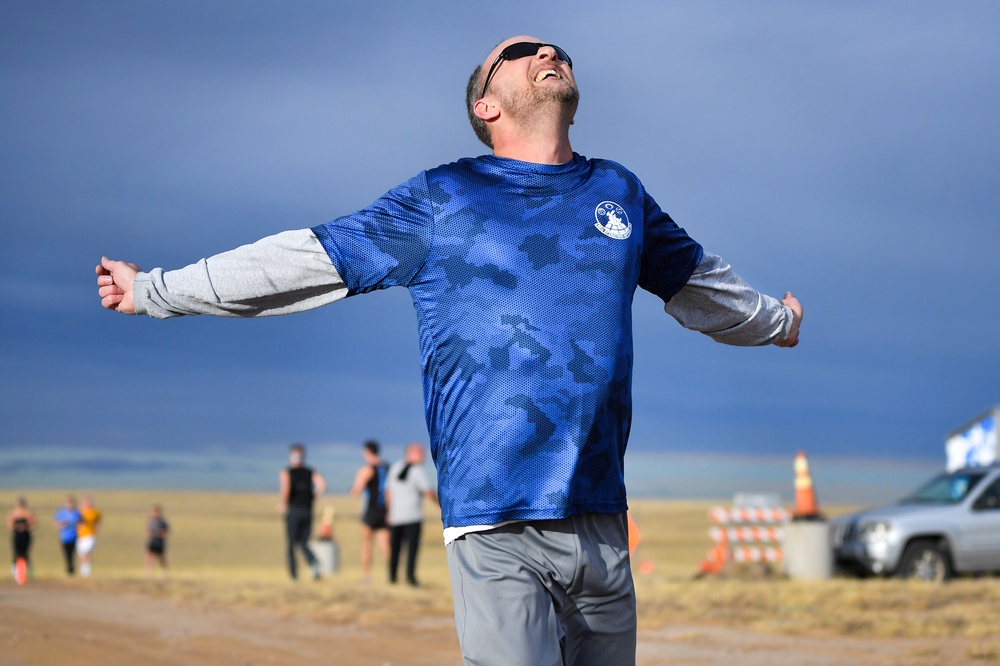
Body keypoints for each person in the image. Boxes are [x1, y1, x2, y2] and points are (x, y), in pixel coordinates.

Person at [95, 34, 802, 665]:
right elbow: (308, 258)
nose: (548, 53)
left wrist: (777, 321)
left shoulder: (618, 191)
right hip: (495, 517)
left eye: (555, 49)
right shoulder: (445, 197)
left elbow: (699, 284)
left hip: (601, 518)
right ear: (485, 106)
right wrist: (156, 290)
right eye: (521, 54)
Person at [385, 442, 437, 586]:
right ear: (411, 453)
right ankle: (410, 578)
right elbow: (428, 491)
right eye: (420, 453)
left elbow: (388, 492)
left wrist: (388, 511)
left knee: (395, 548)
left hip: (396, 516)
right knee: (411, 549)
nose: (423, 456)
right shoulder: (417, 470)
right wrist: (440, 505)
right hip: (412, 516)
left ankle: (392, 578)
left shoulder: (394, 468)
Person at [278, 443, 327, 580]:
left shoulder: (287, 472)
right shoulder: (310, 472)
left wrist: (283, 504)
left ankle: (294, 575)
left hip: (294, 509)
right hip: (307, 510)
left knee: (292, 543)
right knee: (304, 542)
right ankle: (313, 561)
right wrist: (311, 497)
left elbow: (285, 489)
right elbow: (322, 485)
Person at [349, 440, 390, 583]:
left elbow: (356, 491)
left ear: (367, 452)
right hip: (385, 510)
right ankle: (392, 575)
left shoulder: (367, 469)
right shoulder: (387, 468)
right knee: (385, 545)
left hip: (370, 510)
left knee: (366, 544)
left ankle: (367, 577)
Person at [7, 497, 36, 583]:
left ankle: (27, 573)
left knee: (26, 553)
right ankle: (15, 574)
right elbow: (9, 524)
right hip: (17, 535)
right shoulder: (13, 512)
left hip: (26, 535)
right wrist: (16, 527)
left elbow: (33, 523)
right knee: (16, 554)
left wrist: (25, 527)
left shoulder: (28, 512)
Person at [53, 495, 82, 575]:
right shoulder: (61, 513)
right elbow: (56, 524)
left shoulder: (77, 513)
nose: (70, 505)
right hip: (64, 537)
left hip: (75, 537)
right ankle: (69, 569)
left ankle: (73, 568)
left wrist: (78, 526)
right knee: (67, 554)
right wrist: (62, 524)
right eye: (68, 503)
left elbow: (80, 524)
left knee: (74, 554)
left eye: (71, 503)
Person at [76, 495, 102, 577]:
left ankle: (86, 571)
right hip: (80, 535)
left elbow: (98, 522)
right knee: (81, 554)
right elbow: (76, 522)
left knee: (86, 552)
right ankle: (83, 570)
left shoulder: (95, 512)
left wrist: (97, 528)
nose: (88, 503)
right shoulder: (80, 511)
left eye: (89, 501)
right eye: (86, 501)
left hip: (90, 535)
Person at [144, 504, 170, 573]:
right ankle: (148, 572)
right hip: (152, 541)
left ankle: (165, 572)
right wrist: (148, 535)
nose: (153, 513)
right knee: (149, 556)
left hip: (159, 542)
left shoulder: (162, 522)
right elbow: (147, 531)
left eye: (155, 512)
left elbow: (167, 533)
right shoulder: (151, 521)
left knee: (162, 558)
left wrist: (159, 533)